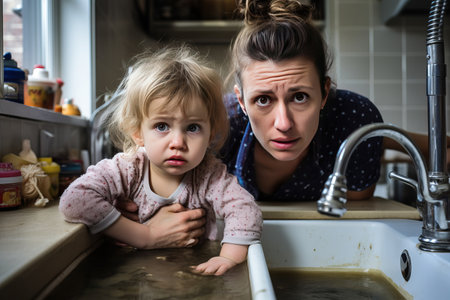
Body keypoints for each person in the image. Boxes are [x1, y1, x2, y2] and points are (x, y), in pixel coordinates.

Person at [59, 46, 263, 276]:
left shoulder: (208, 175)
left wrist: (228, 257)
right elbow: (75, 200)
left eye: (193, 128)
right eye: (162, 126)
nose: (178, 142)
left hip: (192, 273)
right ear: (137, 131)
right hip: (132, 276)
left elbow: (245, 210)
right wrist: (145, 236)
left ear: (210, 133)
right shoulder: (127, 169)